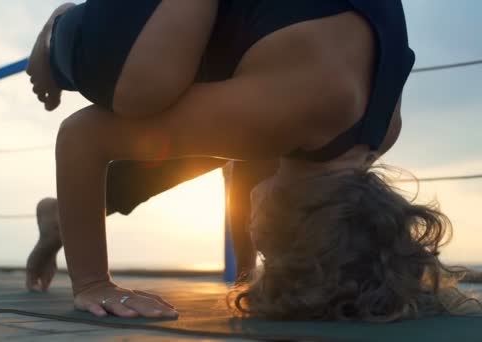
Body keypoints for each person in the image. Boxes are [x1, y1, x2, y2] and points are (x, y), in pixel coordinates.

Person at [26, 1, 480, 321]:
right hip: (245, 50)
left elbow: (252, 152)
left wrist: (243, 275)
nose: (262, 253)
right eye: (272, 257)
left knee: (225, 131)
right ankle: (63, 32)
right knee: (142, 84)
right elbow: (81, 137)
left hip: (252, 37)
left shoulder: (379, 129)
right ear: (288, 230)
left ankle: (63, 218)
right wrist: (93, 284)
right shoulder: (291, 108)